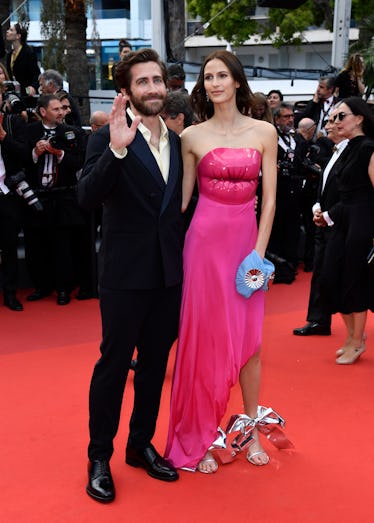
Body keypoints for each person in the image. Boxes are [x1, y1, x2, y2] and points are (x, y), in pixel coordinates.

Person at [78, 48, 184, 503]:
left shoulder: (178, 141)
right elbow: (85, 197)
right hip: (124, 274)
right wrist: (116, 151)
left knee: (156, 366)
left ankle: (140, 444)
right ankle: (99, 455)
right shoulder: (108, 137)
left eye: (157, 80)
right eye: (143, 82)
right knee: (113, 366)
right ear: (127, 91)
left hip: (168, 276)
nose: (153, 88)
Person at [165, 50, 277, 473]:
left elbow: (269, 201)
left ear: (236, 81)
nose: (214, 83)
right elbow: (181, 202)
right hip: (204, 247)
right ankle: (204, 435)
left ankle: (249, 431)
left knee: (251, 344)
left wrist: (259, 255)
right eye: (208, 76)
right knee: (204, 342)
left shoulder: (264, 131)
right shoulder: (192, 136)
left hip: (247, 248)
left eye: (221, 75)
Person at [318, 97, 374, 364]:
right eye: (334, 116)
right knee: (330, 277)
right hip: (344, 218)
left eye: (341, 116)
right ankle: (353, 336)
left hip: (362, 221)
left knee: (354, 281)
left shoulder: (368, 148)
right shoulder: (348, 148)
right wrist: (328, 215)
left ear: (359, 118)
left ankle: (355, 340)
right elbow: (345, 193)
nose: (336, 121)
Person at [23, 94, 86, 305]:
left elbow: (79, 162)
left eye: (62, 108)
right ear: (43, 112)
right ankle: (41, 286)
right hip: (36, 197)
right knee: (36, 245)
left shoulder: (73, 132)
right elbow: (21, 160)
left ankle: (63, 289)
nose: (62, 112)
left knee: (62, 246)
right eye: (56, 109)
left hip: (63, 196)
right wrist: (35, 152)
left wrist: (58, 153)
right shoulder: (30, 131)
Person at [293, 107, 348, 336]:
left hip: (341, 223)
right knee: (320, 272)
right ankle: (319, 320)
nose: (328, 126)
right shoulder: (333, 152)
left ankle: (352, 327)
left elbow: (353, 193)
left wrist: (328, 214)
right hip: (324, 222)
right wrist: (318, 208)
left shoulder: (354, 153)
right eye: (329, 121)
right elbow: (324, 188)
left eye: (335, 121)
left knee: (341, 275)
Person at [0, 85, 30, 311]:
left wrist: (3, 137)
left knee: (9, 245)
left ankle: (10, 293)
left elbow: (25, 154)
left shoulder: (13, 122)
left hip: (8, 192)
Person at [266, 102, 302, 284]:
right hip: (277, 195)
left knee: (292, 232)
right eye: (286, 117)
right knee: (277, 233)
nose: (290, 119)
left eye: (292, 116)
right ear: (276, 119)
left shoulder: (297, 139)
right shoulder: (270, 138)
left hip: (295, 194)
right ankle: (279, 270)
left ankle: (291, 267)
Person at [5, 23, 40, 97]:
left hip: (26, 92)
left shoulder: (28, 52)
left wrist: (33, 87)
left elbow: (36, 73)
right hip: (13, 92)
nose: (7, 31)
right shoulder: (9, 54)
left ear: (18, 36)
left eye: (11, 30)